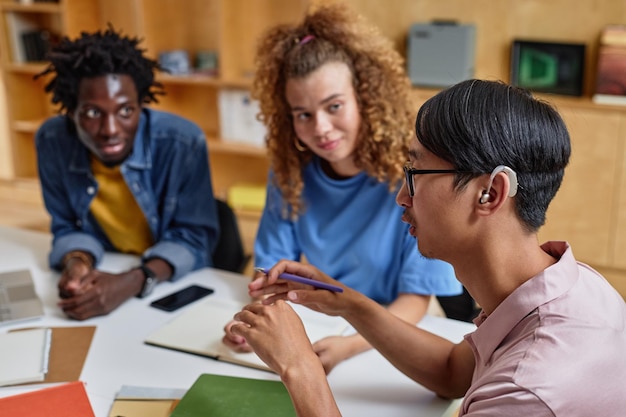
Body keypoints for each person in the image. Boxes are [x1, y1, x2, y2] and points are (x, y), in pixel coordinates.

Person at [231, 79, 626, 416]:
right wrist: (346, 302)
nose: (402, 196)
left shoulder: (526, 391)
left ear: (490, 193)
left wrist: (298, 368)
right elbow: (453, 373)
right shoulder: (572, 287)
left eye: (416, 173)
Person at [222, 3, 461, 373]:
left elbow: (415, 300)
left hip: (392, 332)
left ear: (365, 98)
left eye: (333, 106)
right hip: (324, 322)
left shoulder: (414, 174)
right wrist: (257, 321)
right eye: (303, 114)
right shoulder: (289, 173)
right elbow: (269, 273)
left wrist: (349, 347)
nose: (320, 127)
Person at [34, 27, 219, 320]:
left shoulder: (181, 142)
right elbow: (67, 226)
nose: (110, 130)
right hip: (106, 266)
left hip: (165, 288)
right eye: (93, 113)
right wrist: (76, 263)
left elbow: (194, 239)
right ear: (71, 110)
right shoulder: (52, 141)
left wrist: (135, 281)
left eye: (125, 111)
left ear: (141, 104)